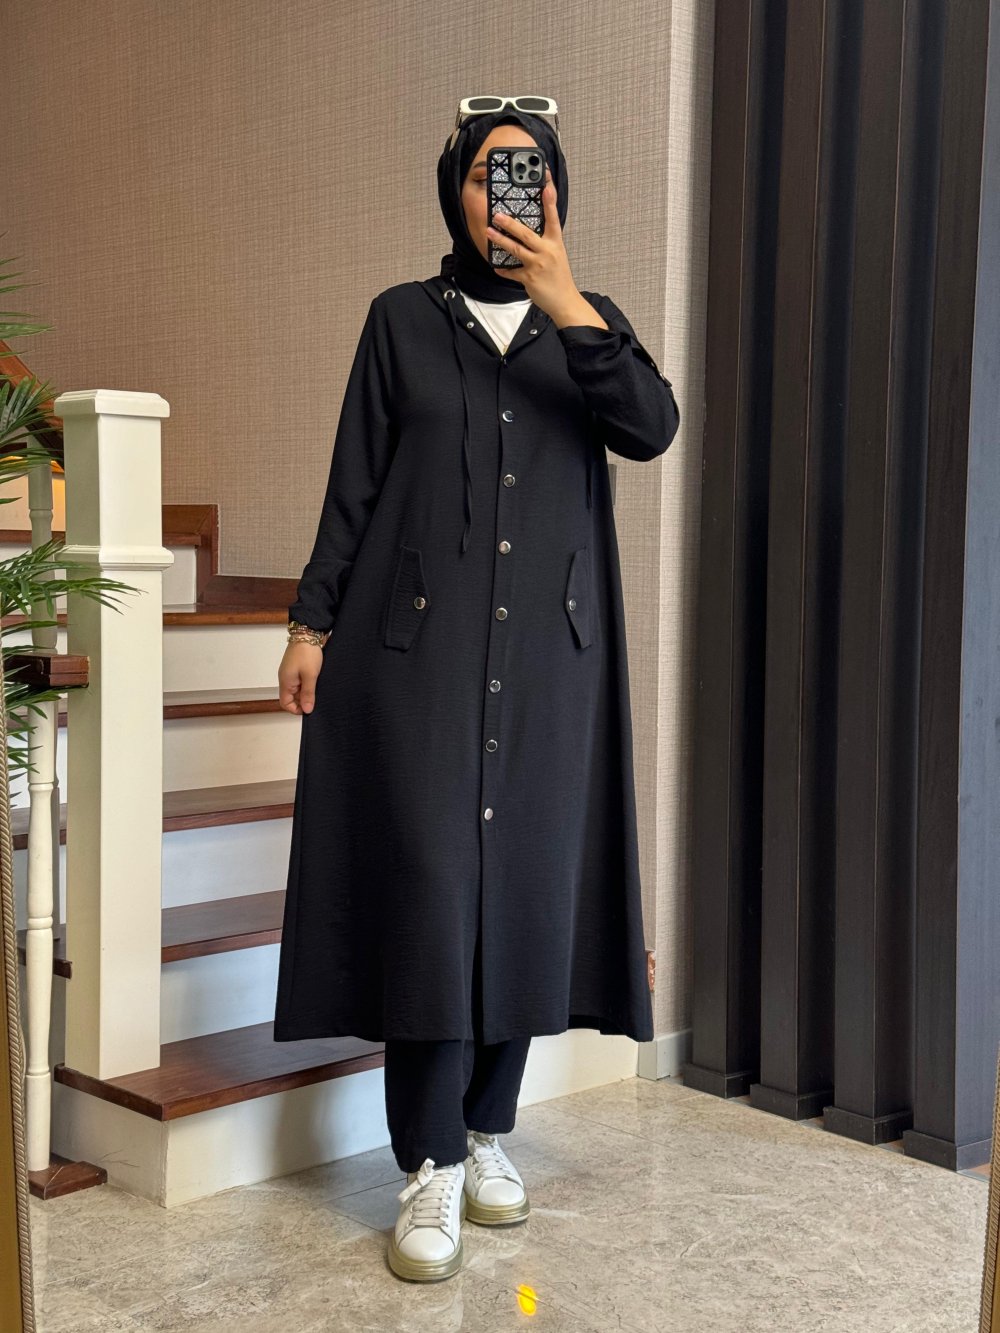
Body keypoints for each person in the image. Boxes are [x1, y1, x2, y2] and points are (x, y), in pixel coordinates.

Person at [274, 95, 680, 1284]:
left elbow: (650, 428)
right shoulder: (401, 319)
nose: (507, 192)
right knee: (433, 894)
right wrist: (310, 620)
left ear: (557, 192)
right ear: (452, 193)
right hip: (417, 657)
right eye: (485, 173)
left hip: (552, 662)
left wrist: (566, 297)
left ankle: (489, 1130)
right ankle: (431, 1160)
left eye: (529, 171)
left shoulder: (591, 323)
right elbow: (355, 477)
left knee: (525, 894)